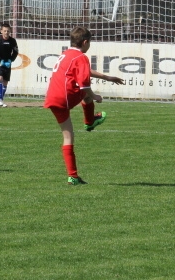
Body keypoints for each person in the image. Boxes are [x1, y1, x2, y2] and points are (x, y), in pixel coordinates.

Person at [43, 27, 125, 185]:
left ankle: (72, 176)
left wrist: (107, 77)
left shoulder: (66, 54)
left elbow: (85, 72)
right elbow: (83, 85)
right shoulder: (81, 57)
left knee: (68, 137)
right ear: (85, 42)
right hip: (65, 97)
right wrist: (95, 96)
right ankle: (89, 121)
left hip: (52, 98)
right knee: (87, 91)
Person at [0, 22, 18, 107]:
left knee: (5, 82)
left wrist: (11, 60)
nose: (6, 33)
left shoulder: (12, 41)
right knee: (0, 78)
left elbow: (16, 52)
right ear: (1, 31)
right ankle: (0, 100)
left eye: (8, 31)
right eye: (5, 31)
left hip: (7, 63)